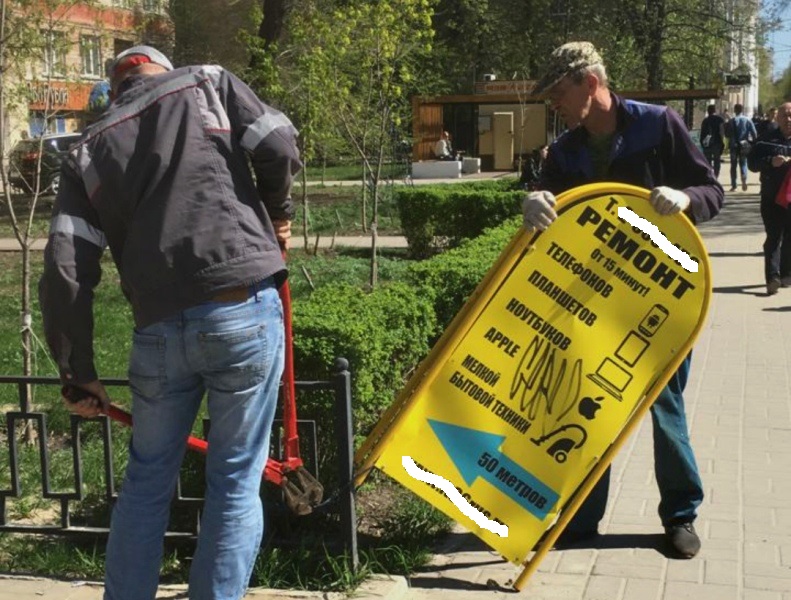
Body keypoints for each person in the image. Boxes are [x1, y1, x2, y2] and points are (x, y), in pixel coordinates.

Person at [38, 45, 301, 599]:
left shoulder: (86, 149)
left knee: (145, 484)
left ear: (114, 86)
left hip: (158, 334)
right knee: (233, 484)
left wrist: (76, 370)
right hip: (241, 309)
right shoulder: (207, 82)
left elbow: (66, 266)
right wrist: (278, 213)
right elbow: (277, 143)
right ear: (162, 67)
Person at [523, 41, 723, 559]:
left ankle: (680, 516)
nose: (555, 104)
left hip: (663, 297)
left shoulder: (659, 125)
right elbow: (551, 205)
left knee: (665, 406)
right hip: (593, 302)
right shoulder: (566, 150)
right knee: (588, 407)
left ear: (590, 83)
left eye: (560, 92)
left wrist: (686, 199)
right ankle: (581, 516)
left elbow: (710, 190)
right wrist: (535, 202)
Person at [748, 102, 791, 295]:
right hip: (772, 197)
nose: (788, 119)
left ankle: (786, 274)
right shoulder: (765, 140)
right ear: (777, 118)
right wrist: (770, 162)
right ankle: (772, 277)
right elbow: (752, 163)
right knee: (774, 236)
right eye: (784, 115)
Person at [727, 103, 757, 192]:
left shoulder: (731, 121)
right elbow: (754, 133)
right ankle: (744, 178)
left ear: (735, 110)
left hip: (733, 146)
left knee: (733, 165)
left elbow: (727, 134)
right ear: (742, 110)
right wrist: (753, 143)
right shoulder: (747, 120)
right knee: (743, 163)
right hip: (744, 145)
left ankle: (734, 185)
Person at [700, 104, 725, 177]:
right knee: (717, 161)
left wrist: (702, 143)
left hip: (707, 144)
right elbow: (722, 132)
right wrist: (722, 142)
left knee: (707, 162)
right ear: (715, 110)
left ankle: (709, 176)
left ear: (708, 111)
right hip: (717, 143)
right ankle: (716, 176)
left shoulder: (705, 120)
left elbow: (702, 133)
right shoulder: (720, 119)